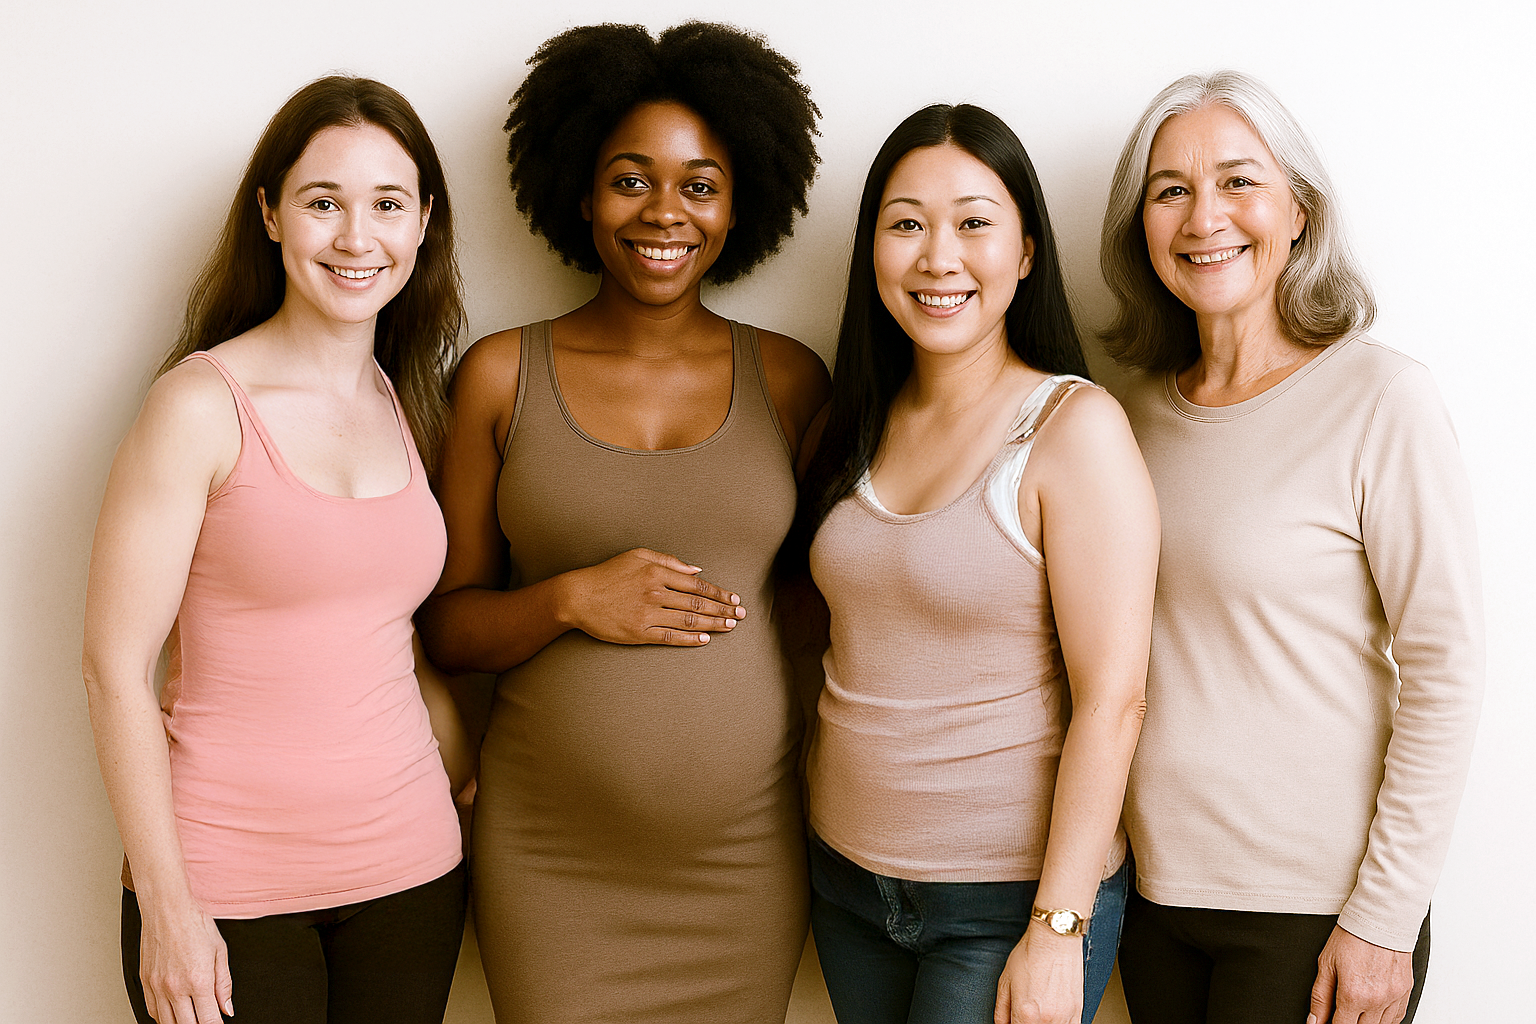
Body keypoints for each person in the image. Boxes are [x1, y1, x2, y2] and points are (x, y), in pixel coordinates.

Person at [413, 22, 828, 1024]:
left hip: (743, 857)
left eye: (701, 183)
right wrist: (568, 598)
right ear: (579, 190)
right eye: (630, 178)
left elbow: (823, 611)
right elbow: (449, 626)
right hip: (552, 856)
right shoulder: (501, 376)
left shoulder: (790, 379)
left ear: (742, 204)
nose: (665, 212)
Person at [81, 76, 471, 1024]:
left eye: (386, 205)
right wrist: (168, 907)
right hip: (227, 883)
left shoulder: (405, 399)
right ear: (269, 214)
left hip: (412, 869)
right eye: (321, 202)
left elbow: (384, 630)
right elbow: (113, 668)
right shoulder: (199, 406)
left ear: (423, 223)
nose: (355, 237)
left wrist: (464, 769)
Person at [1098, 70, 1484, 1024]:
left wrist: (1386, 919)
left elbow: (1447, 666)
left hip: (1314, 917)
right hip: (1153, 902)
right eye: (1171, 190)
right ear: (1140, 225)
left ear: (1299, 210)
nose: (1204, 218)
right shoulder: (1123, 417)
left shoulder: (1380, 399)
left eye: (1239, 181)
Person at [785, 103, 1160, 1024]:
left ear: (1026, 252)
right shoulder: (847, 424)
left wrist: (1058, 927)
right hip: (846, 885)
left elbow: (1115, 697)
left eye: (974, 224)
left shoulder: (1075, 430)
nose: (938, 257)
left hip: (1005, 904)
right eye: (906, 223)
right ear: (872, 249)